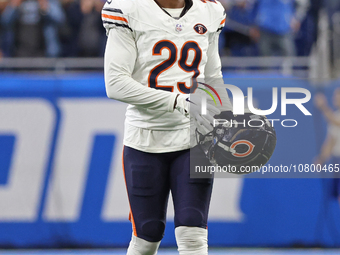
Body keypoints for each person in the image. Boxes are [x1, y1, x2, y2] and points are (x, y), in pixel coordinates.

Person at [102, 0, 232, 254]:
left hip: (195, 140)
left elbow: (213, 75)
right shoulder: (129, 8)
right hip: (145, 138)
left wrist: (224, 115)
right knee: (146, 237)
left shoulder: (210, 10)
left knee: (193, 235)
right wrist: (178, 101)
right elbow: (115, 83)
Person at [314, 88, 340, 202]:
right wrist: (322, 158)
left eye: (337, 95)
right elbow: (331, 140)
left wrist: (323, 106)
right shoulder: (335, 114)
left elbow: (336, 122)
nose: (334, 98)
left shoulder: (333, 117)